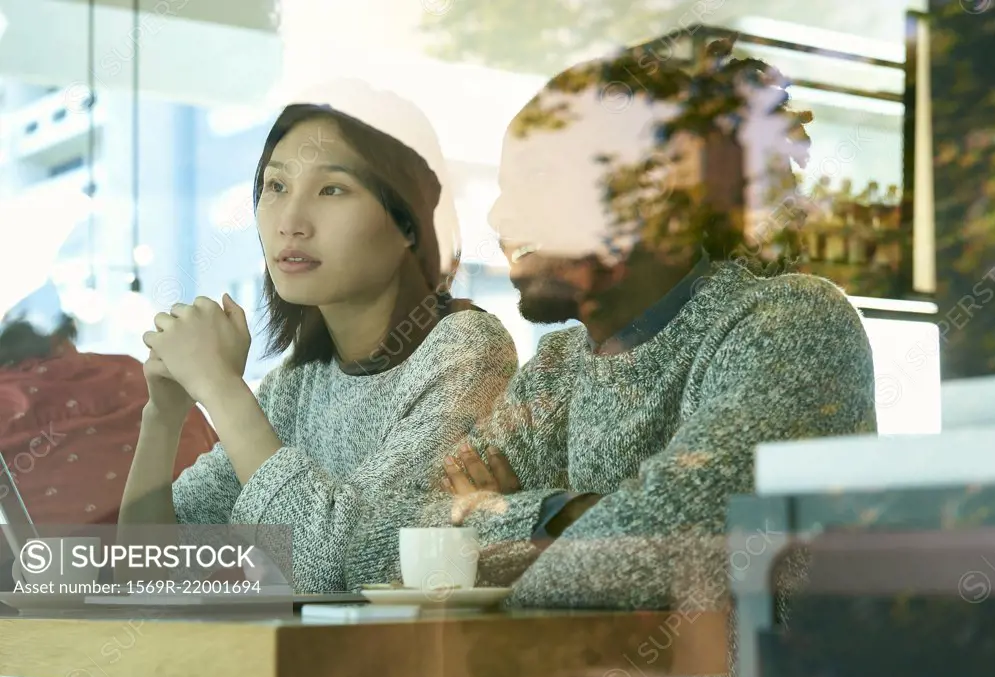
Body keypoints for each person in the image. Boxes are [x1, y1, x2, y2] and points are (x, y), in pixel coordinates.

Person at [428, 34, 878, 610]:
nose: (498, 215)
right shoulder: (556, 370)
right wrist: (575, 520)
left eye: (536, 178)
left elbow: (676, 545)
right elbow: (424, 532)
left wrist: (512, 517)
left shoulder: (792, 323)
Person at [118, 83, 517, 593]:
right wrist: (165, 414)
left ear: (410, 223)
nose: (290, 222)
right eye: (276, 187)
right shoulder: (299, 381)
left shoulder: (467, 351)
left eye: (332, 190)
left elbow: (336, 567)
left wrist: (219, 386)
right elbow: (144, 569)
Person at [0, 313, 217, 527]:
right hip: (211, 537)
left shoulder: (7, 400)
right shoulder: (129, 370)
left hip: (61, 554)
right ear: (59, 344)